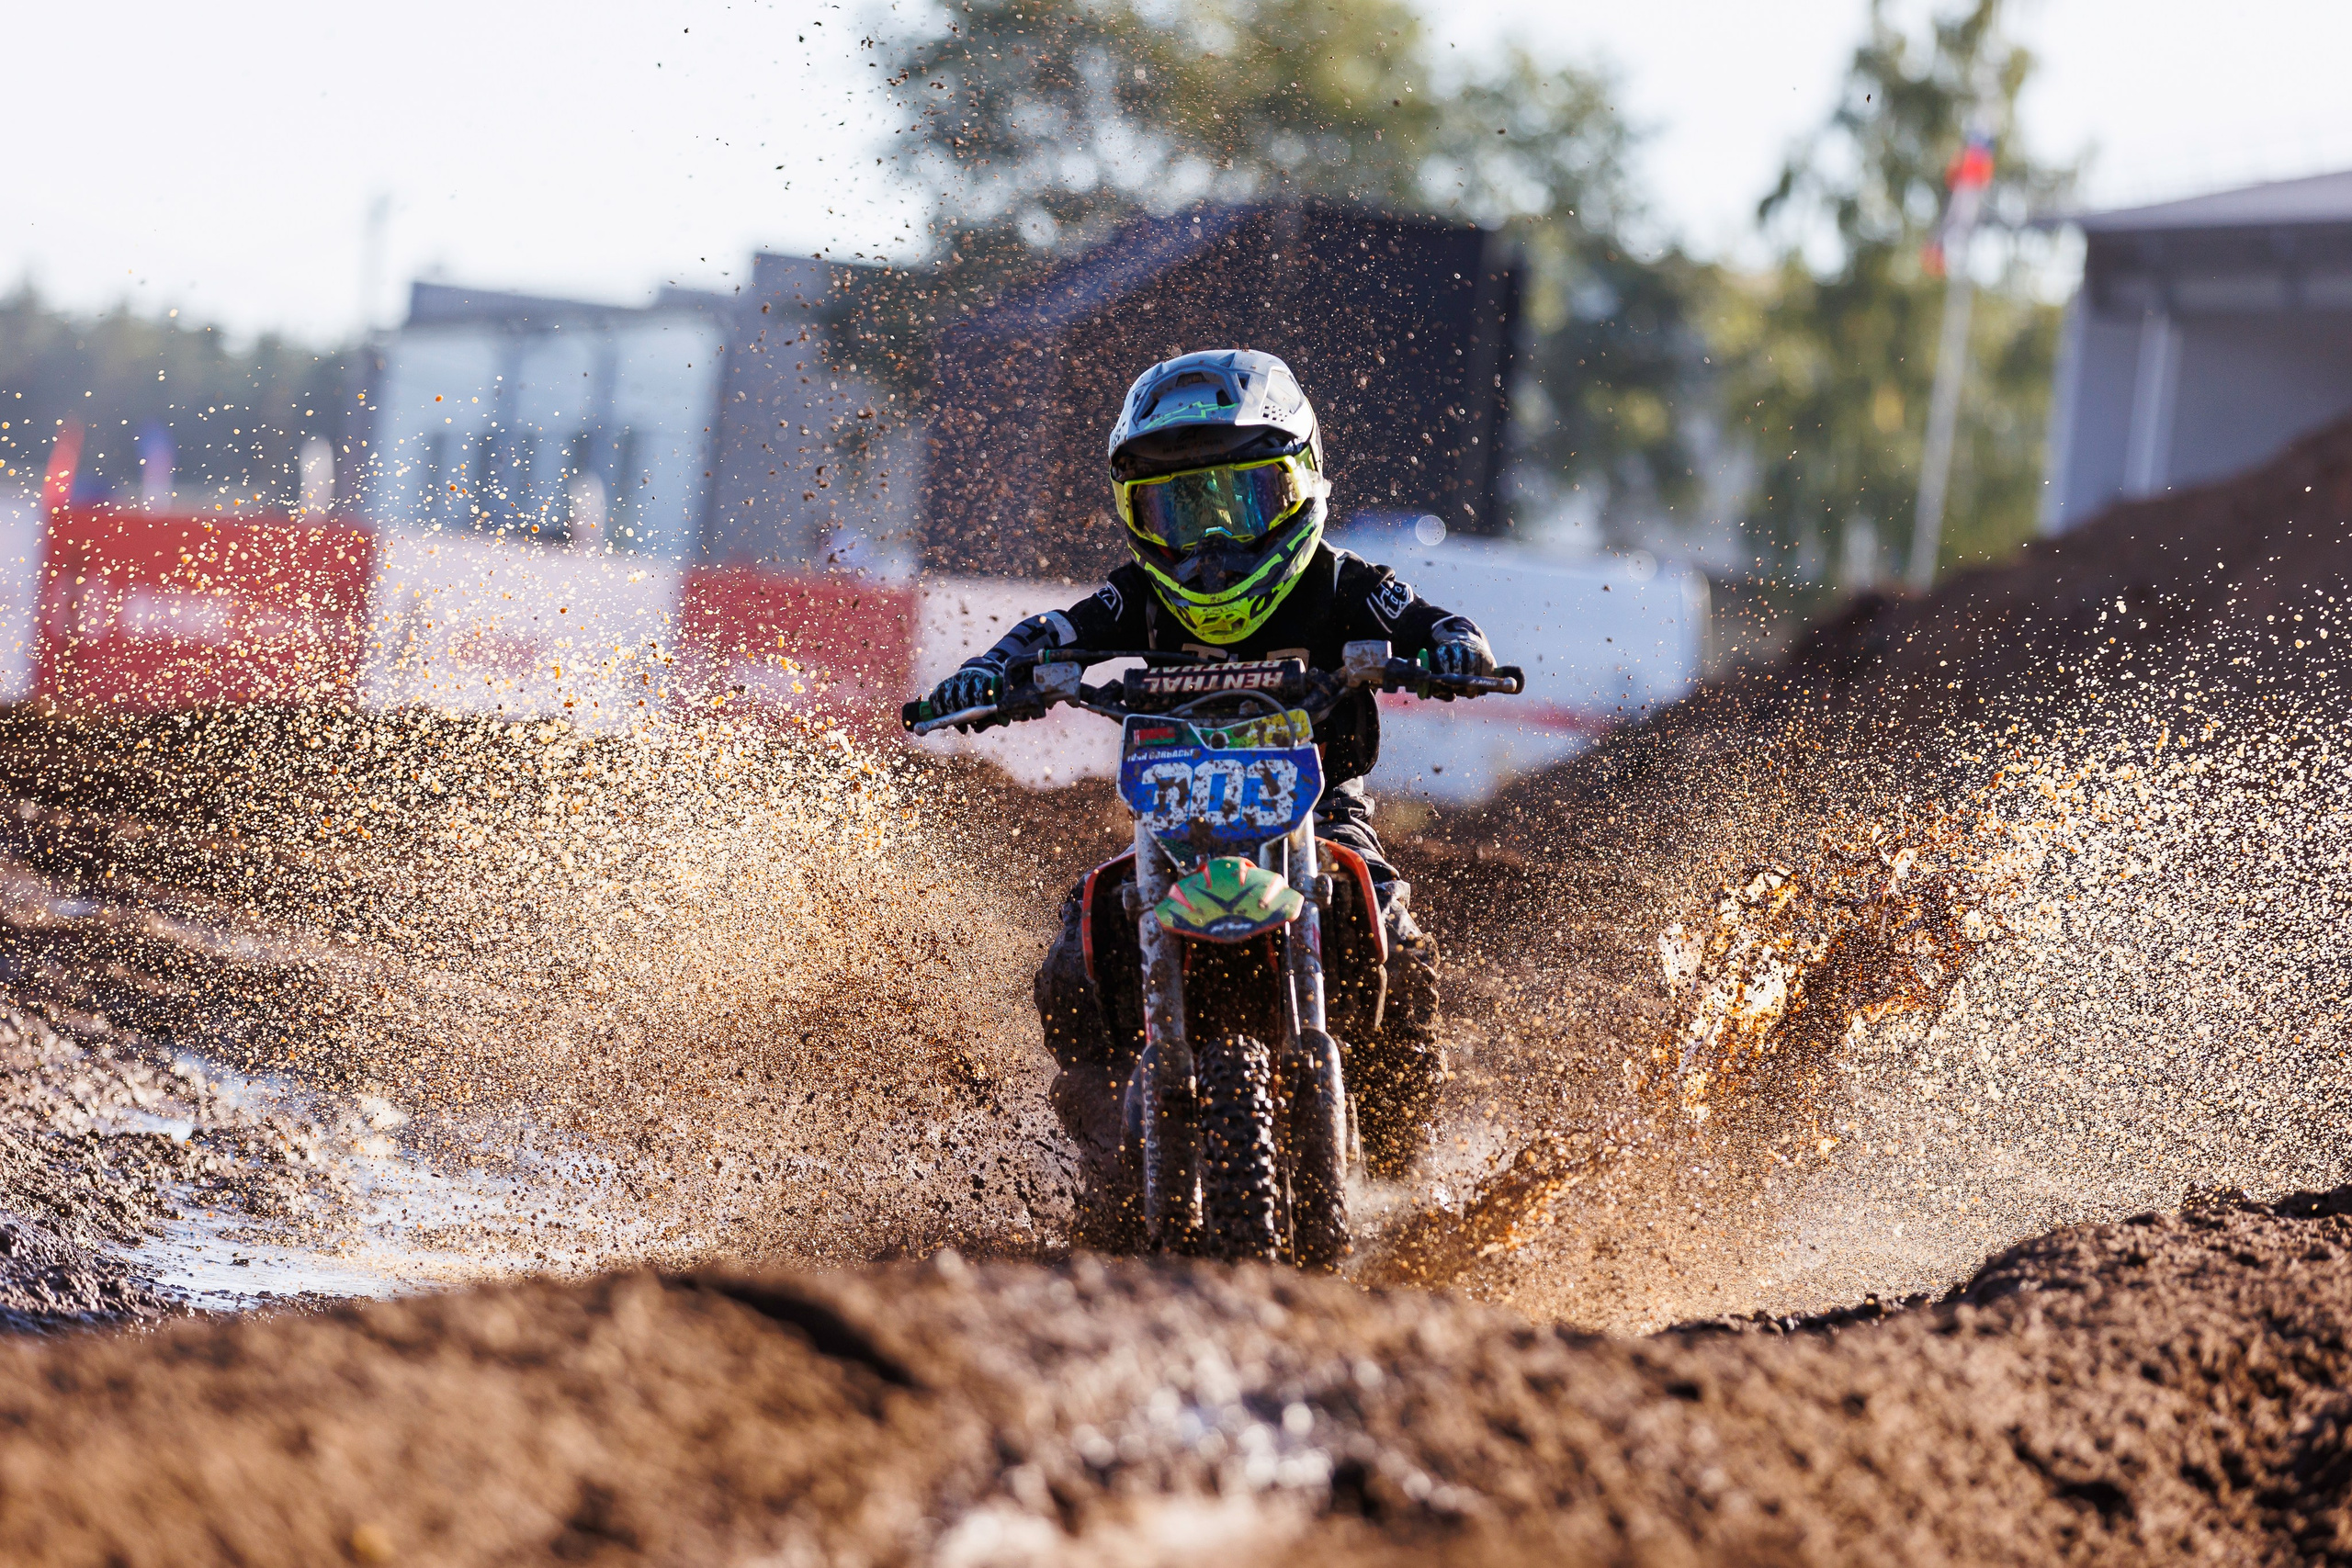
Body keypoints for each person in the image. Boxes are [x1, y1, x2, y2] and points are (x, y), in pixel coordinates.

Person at [922, 349, 1498, 1232]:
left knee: (1393, 925)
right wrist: (992, 673)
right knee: (1084, 930)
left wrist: (1457, 650)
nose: (1217, 542)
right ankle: (1108, 1127)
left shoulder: (1343, 582)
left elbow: (1429, 619)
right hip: (1176, 810)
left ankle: (1393, 1135)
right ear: (1137, 517)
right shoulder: (1141, 599)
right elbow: (1054, 632)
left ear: (1301, 484)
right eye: (1182, 509)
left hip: (1317, 804)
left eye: (1247, 500)